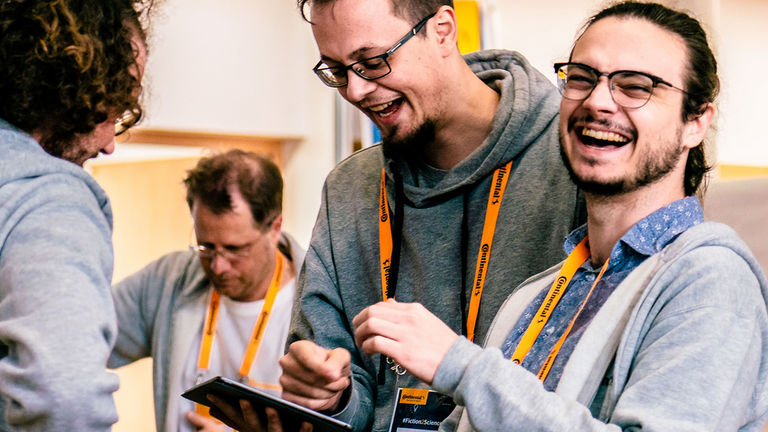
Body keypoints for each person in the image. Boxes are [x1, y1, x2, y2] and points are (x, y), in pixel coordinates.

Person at [352, 2, 768, 431]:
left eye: (635, 86)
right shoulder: (536, 295)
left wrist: (461, 366)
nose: (598, 102)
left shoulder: (709, 280)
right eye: (583, 78)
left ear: (696, 122)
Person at [213, 0, 589, 430]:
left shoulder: (576, 164)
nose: (354, 91)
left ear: (444, 30)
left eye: (372, 62)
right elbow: (347, 397)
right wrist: (330, 397)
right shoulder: (350, 189)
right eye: (336, 70)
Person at [0, 0, 152, 430]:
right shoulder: (49, 198)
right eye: (117, 107)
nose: (109, 144)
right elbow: (66, 397)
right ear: (77, 88)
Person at [108, 150, 305, 432]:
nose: (218, 266)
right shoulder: (168, 280)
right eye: (206, 247)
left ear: (275, 228)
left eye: (235, 249)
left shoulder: (319, 303)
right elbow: (84, 335)